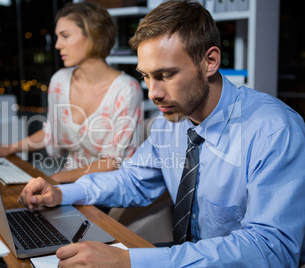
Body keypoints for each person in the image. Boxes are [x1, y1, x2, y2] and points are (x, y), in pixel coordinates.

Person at [18, 0, 305, 267]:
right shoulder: (170, 122)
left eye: (166, 75)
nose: (153, 93)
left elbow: (273, 248)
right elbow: (132, 180)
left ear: (210, 62)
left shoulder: (274, 131)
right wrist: (61, 193)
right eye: (145, 76)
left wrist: (129, 261)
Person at [0, 2, 143, 183]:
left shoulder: (126, 90)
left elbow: (111, 163)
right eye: (58, 37)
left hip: (108, 188)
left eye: (65, 36)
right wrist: (8, 149)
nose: (57, 45)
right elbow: (50, 132)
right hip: (68, 182)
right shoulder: (60, 81)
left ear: (93, 36)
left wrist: (53, 179)